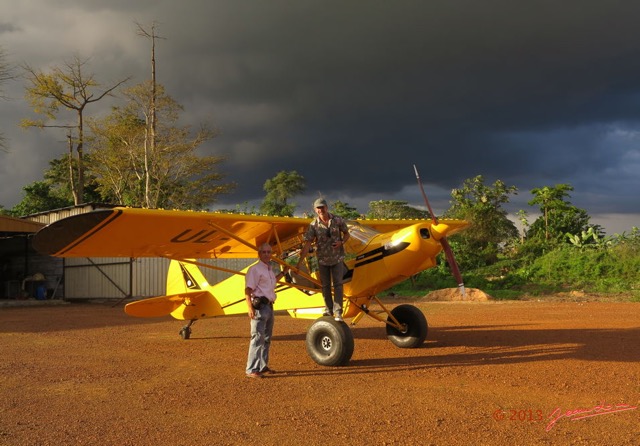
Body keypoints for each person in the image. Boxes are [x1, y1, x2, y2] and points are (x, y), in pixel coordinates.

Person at [297, 198, 350, 321]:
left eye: (322, 207)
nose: (321, 210)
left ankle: (338, 312)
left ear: (327, 207)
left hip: (337, 258)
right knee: (325, 286)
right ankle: (328, 310)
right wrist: (299, 263)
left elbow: (347, 234)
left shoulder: (338, 220)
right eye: (318, 208)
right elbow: (307, 244)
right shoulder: (313, 225)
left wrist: (341, 242)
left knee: (338, 284)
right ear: (315, 210)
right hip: (322, 260)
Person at [245, 243, 289, 378]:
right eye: (263, 252)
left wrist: (283, 273)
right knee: (257, 338)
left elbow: (272, 283)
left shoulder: (269, 269)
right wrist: (250, 308)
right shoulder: (255, 269)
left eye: (269, 252)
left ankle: (262, 366)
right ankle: (251, 369)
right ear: (259, 254)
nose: (266, 254)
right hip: (260, 307)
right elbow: (248, 290)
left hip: (269, 306)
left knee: (267, 339)